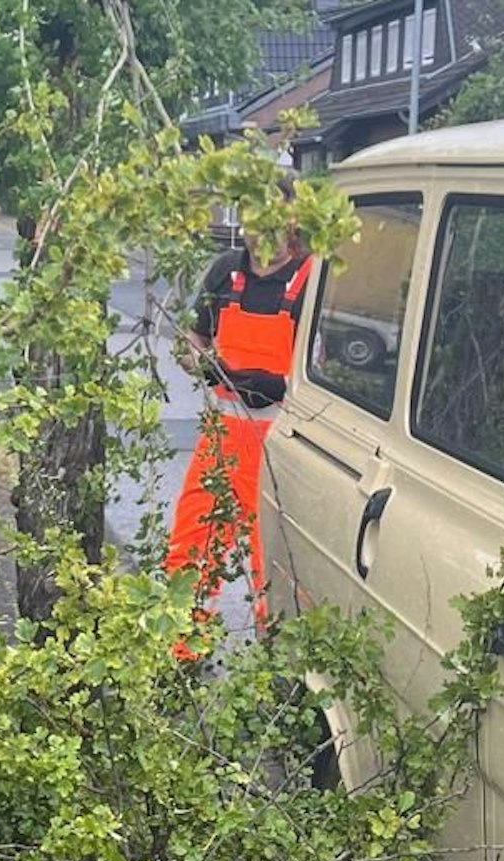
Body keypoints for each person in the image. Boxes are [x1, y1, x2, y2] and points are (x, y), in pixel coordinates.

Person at [164, 175, 315, 638]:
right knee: (191, 545)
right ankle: (183, 651)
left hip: (283, 444)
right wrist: (203, 365)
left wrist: (281, 385)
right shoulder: (225, 272)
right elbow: (190, 341)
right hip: (225, 438)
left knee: (277, 562)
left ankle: (279, 668)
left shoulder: (313, 279)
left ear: (292, 217)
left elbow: (329, 369)